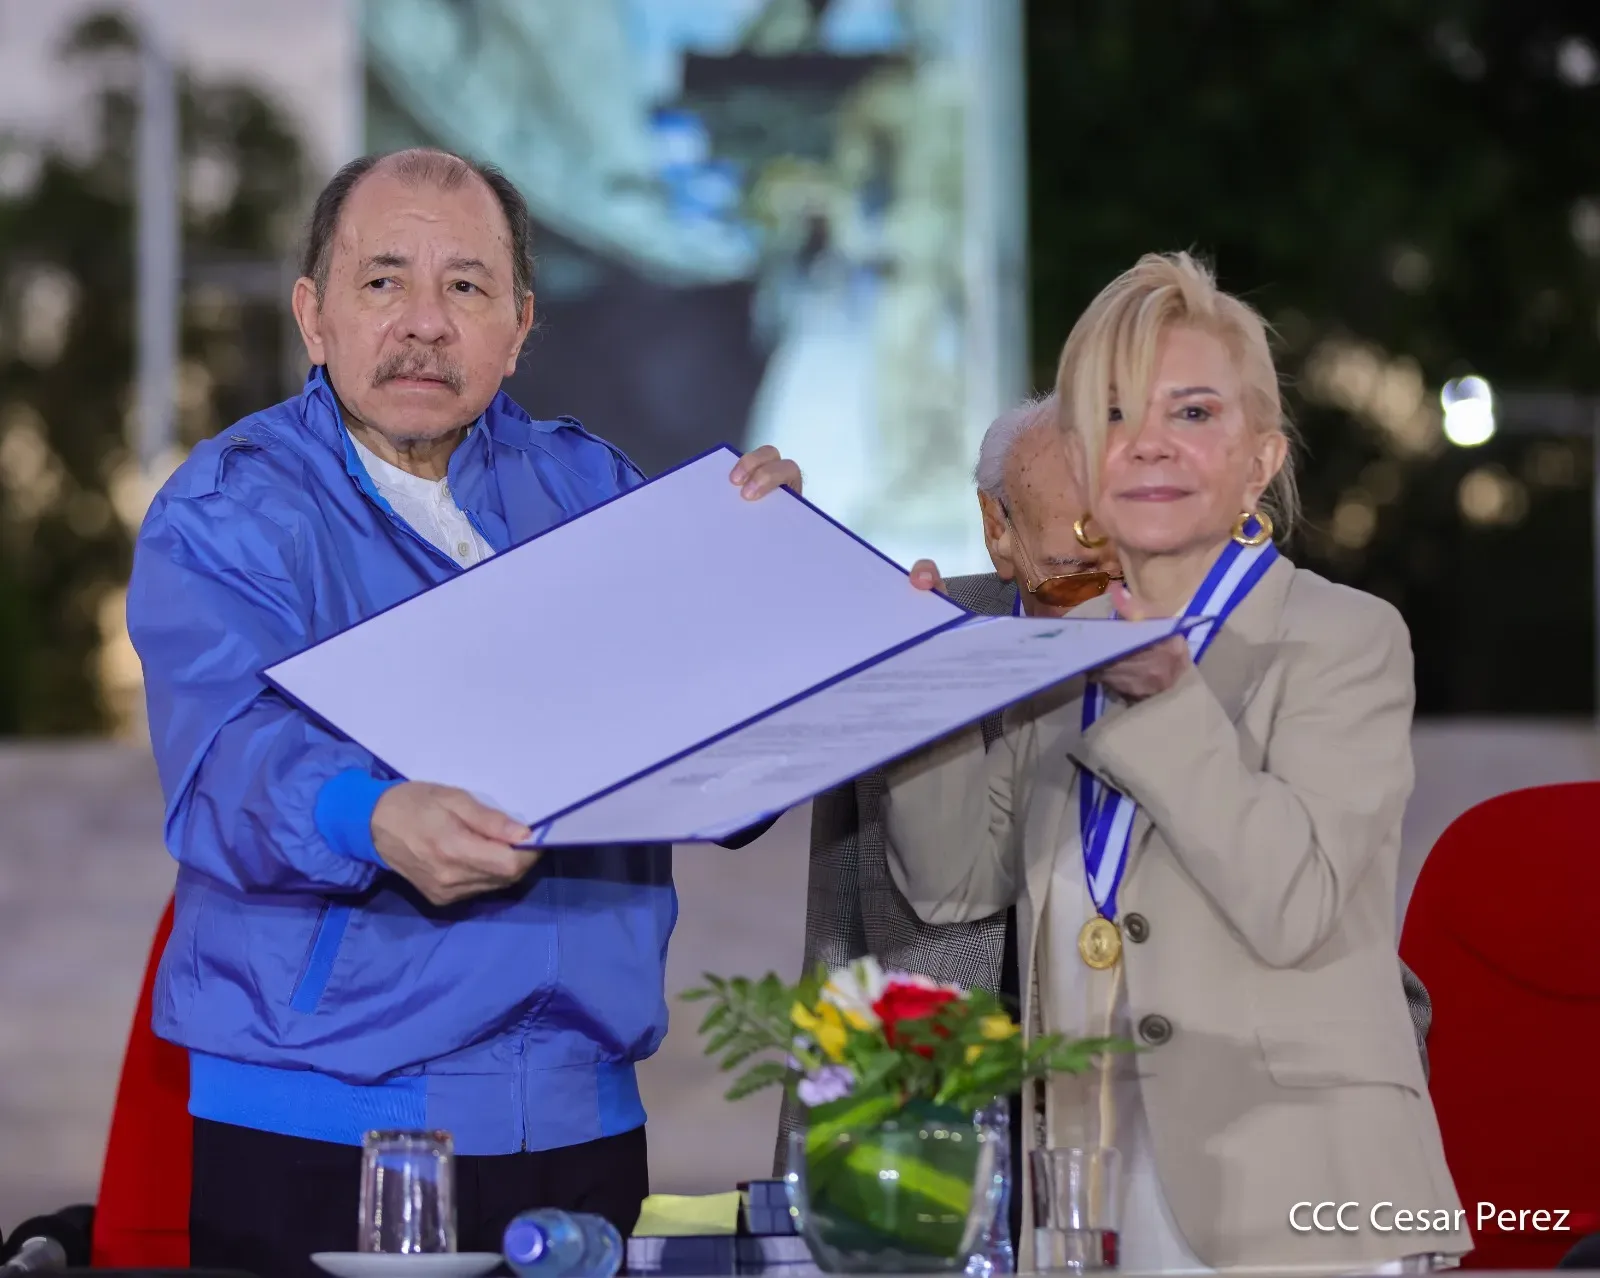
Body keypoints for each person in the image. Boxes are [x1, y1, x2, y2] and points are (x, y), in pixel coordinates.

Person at [126, 147, 798, 1277]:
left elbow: (716, 767)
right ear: (315, 315)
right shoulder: (230, 506)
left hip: (585, 1120)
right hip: (322, 1123)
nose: (425, 323)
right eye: (383, 281)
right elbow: (226, 762)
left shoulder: (594, 492)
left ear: (521, 325)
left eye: (467, 287)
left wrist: (799, 608)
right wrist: (368, 817)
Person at [881, 252, 1468, 1272]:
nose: (1147, 441)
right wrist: (925, 691)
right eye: (1112, 414)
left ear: (1260, 460)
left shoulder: (1342, 638)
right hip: (1086, 1194)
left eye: (1192, 413)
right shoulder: (1063, 648)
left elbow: (1294, 905)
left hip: (1303, 1201)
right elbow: (950, 890)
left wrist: (1167, 698)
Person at [774, 393, 1121, 1180]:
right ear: (998, 530)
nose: (1106, 612)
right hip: (922, 1143)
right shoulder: (907, 637)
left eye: (1127, 576)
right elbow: (844, 941)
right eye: (1075, 583)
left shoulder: (1225, 652)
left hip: (1146, 1142)